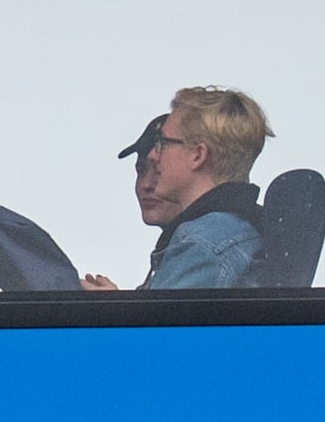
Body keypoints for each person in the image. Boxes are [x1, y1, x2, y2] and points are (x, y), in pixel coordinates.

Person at [84, 88, 271, 291]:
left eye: (162, 143)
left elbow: (157, 323)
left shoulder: (202, 244)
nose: (154, 156)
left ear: (198, 156)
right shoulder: (229, 231)